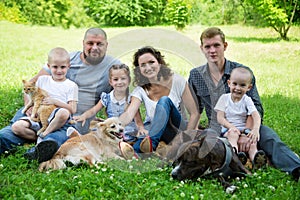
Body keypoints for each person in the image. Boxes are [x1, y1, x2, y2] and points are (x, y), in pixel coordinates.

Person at [188, 27, 300, 181]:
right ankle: (238, 163)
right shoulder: (195, 75)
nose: (212, 50)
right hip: (219, 129)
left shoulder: (242, 72)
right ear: (202, 49)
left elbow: (256, 107)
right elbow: (194, 109)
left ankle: (296, 169)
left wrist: (246, 133)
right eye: (207, 46)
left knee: (270, 138)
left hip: (248, 126)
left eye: (216, 45)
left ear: (225, 46)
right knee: (213, 148)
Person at [0, 27, 121, 163]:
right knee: (5, 136)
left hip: (69, 121)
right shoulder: (65, 61)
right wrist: (28, 107)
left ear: (107, 45)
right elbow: (31, 84)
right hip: (41, 111)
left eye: (99, 44)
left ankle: (37, 149)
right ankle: (34, 137)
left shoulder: (114, 67)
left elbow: (117, 101)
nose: (94, 48)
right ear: (83, 43)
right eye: (90, 43)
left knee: (56, 139)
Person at [118, 46, 200, 159]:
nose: (148, 67)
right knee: (141, 144)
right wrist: (115, 124)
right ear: (139, 70)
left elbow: (194, 113)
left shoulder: (177, 81)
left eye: (151, 62)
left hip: (176, 130)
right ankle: (138, 153)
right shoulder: (140, 90)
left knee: (164, 100)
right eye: (143, 65)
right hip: (156, 132)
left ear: (159, 63)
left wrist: (187, 138)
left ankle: (152, 144)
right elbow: (129, 113)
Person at [12, 47, 78, 146]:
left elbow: (72, 110)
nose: (59, 71)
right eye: (55, 67)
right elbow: (32, 94)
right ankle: (39, 137)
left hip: (56, 117)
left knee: (64, 112)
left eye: (63, 67)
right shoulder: (42, 80)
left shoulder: (71, 85)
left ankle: (46, 133)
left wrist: (55, 102)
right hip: (40, 114)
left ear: (69, 66)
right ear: (48, 66)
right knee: (16, 127)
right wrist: (30, 106)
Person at [73, 64, 144, 142]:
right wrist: (84, 116)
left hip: (127, 132)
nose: (119, 82)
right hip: (112, 131)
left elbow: (138, 120)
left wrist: (141, 128)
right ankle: (78, 137)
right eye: (116, 79)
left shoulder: (132, 99)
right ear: (110, 81)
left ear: (129, 80)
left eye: (123, 78)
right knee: (97, 130)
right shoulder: (107, 97)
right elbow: (94, 110)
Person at [214, 66, 267, 169]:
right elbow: (220, 118)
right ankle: (235, 157)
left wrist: (255, 130)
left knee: (252, 142)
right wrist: (231, 127)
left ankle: (256, 159)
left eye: (242, 85)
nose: (237, 88)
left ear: (249, 87)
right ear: (229, 83)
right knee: (233, 136)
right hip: (228, 129)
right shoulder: (224, 98)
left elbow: (256, 115)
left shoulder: (247, 100)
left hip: (244, 129)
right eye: (235, 84)